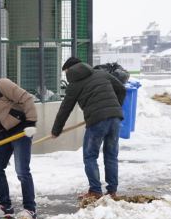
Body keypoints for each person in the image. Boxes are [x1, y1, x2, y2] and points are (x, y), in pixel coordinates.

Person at [51, 57, 126, 199]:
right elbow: (121, 89)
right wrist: (115, 108)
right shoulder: (102, 74)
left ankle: (95, 191)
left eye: (66, 71)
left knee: (90, 156)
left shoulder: (74, 85)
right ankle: (112, 191)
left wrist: (56, 130)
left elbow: (65, 109)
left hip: (97, 121)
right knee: (111, 155)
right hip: (115, 118)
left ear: (70, 69)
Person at [0, 78, 38, 219]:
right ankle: (5, 207)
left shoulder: (1, 85)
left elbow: (27, 98)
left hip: (22, 128)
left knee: (22, 170)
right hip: (5, 131)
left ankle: (30, 209)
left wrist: (31, 123)